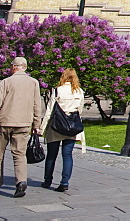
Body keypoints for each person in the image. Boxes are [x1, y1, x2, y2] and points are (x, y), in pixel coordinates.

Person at [0, 56, 44, 198]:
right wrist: (37, 125)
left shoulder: (5, 82)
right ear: (25, 67)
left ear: (14, 67)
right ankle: (21, 182)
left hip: (5, 122)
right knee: (19, 154)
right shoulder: (34, 83)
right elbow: (37, 105)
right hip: (24, 123)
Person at [42, 68, 86, 192]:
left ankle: (47, 180)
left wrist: (42, 127)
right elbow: (80, 110)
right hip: (71, 127)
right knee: (67, 155)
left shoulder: (57, 91)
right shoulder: (79, 92)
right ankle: (64, 182)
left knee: (51, 155)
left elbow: (50, 111)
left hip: (57, 125)